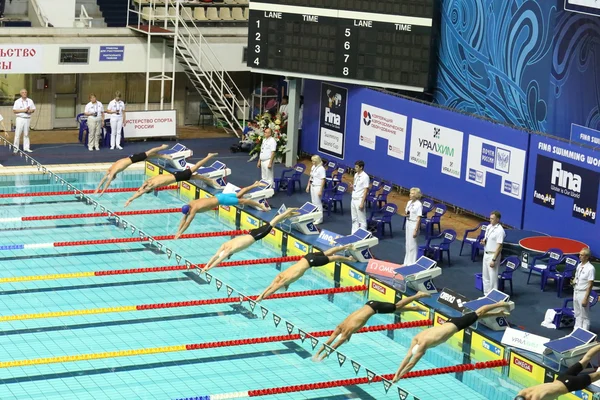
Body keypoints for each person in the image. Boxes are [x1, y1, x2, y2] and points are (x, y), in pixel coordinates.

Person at [392, 300, 511, 382]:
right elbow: (407, 358)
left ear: (420, 350)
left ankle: (499, 304)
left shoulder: (422, 344)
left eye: (421, 353)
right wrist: (397, 374)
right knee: (475, 317)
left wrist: (401, 376)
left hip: (456, 325)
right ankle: (498, 313)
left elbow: (411, 363)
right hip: (449, 321)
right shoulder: (416, 338)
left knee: (478, 313)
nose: (422, 354)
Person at [313, 291, 431, 362]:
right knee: (393, 309)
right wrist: (317, 354)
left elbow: (333, 346)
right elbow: (329, 341)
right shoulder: (340, 326)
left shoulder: (344, 332)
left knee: (396, 306)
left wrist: (322, 357)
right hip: (370, 304)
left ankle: (417, 296)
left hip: (375, 308)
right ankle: (415, 308)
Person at [200, 207, 300, 273]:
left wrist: (209, 269)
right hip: (252, 233)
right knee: (273, 222)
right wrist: (206, 266)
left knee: (273, 222)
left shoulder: (230, 250)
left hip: (256, 236)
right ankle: (289, 214)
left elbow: (218, 260)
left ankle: (288, 211)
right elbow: (215, 256)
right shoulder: (225, 245)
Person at [255, 245, 356, 302]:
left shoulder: (285, 280)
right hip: (307, 257)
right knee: (327, 252)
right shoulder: (281, 275)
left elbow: (272, 289)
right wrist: (260, 296)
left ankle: (349, 259)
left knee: (334, 258)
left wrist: (262, 299)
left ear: (285, 286)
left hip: (311, 262)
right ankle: (346, 246)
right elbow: (270, 286)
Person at [174, 181, 270, 239]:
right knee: (238, 194)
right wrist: (178, 231)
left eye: (189, 213)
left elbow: (187, 223)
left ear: (189, 209)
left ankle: (260, 205)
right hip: (219, 196)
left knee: (243, 201)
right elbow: (184, 218)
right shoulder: (191, 203)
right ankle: (255, 184)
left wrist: (180, 233)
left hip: (222, 200)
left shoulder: (194, 209)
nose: (189, 214)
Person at [124, 153, 220, 207]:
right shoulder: (151, 185)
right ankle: (209, 176)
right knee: (194, 172)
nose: (145, 184)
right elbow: (140, 192)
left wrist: (130, 199)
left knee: (195, 170)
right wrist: (130, 200)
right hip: (177, 176)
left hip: (176, 175)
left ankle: (208, 157)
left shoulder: (148, 182)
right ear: (150, 189)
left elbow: (140, 190)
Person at [514, 343, 600, 400]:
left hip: (570, 385)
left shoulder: (536, 398)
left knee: (597, 375)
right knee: (585, 359)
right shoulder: (523, 392)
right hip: (561, 378)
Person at [94, 144, 170, 196]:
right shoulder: (109, 170)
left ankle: (162, 147)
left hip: (133, 159)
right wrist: (98, 188)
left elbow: (107, 182)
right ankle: (162, 156)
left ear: (113, 176)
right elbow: (103, 179)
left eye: (113, 178)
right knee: (147, 156)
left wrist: (103, 191)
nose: (113, 178)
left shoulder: (113, 171)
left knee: (148, 153)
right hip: (131, 158)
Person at [480, 210, 505, 295]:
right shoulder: (489, 227)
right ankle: (486, 294)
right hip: (486, 253)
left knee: (493, 278)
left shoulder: (500, 231)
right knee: (485, 276)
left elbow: (499, 246)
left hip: (493, 255)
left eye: (493, 219)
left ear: (498, 219)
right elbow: (486, 239)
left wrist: (494, 259)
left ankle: (493, 297)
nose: (490, 220)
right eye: (490, 218)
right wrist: (484, 242)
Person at [573, 247, 594, 331]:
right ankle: (576, 330)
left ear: (587, 257)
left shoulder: (590, 268)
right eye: (579, 255)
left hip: (583, 293)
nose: (579, 256)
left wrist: (586, 298)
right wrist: (574, 281)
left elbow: (590, 284)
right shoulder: (579, 265)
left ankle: (585, 332)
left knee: (584, 315)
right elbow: (577, 276)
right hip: (576, 291)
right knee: (577, 313)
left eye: (582, 255)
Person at [12, 88, 36, 153]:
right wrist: (23, 110)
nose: (24, 93)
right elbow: (14, 110)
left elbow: (33, 109)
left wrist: (29, 110)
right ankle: (15, 148)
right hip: (20, 118)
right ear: (20, 94)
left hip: (27, 118)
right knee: (17, 134)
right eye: (23, 92)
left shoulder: (30, 101)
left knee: (26, 134)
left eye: (25, 92)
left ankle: (26, 147)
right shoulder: (17, 101)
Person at [404, 187, 423, 265]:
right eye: (410, 193)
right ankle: (406, 262)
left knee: (412, 244)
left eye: (412, 193)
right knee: (407, 243)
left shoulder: (419, 204)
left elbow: (419, 218)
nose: (410, 195)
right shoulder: (409, 202)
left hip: (414, 224)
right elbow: (406, 212)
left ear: (416, 195)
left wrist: (416, 229)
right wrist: (407, 213)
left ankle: (412, 263)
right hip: (408, 222)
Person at [350, 160, 370, 233]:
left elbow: (365, 190)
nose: (355, 168)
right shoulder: (356, 175)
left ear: (361, 167)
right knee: (354, 218)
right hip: (353, 199)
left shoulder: (365, 177)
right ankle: (354, 233)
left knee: (361, 220)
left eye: (357, 167)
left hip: (359, 200)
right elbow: (356, 186)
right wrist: (353, 186)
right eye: (355, 166)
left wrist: (362, 203)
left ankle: (363, 235)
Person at [306, 155, 325, 224]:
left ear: (317, 161)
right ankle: (315, 216)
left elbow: (323, 180)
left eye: (313, 161)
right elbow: (311, 177)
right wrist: (308, 186)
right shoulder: (313, 167)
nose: (312, 162)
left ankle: (320, 218)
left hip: (318, 186)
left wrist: (320, 190)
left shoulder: (321, 169)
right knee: (313, 202)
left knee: (318, 203)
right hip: (312, 186)